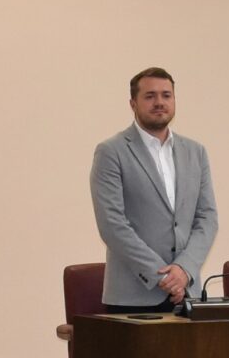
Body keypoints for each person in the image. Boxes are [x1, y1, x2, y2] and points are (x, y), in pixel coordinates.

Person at [89, 68, 217, 312]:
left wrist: (184, 269)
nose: (159, 102)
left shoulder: (195, 152)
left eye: (166, 95)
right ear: (132, 103)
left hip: (187, 294)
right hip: (133, 299)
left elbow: (207, 218)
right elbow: (112, 224)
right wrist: (162, 277)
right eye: (150, 96)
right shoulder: (111, 151)